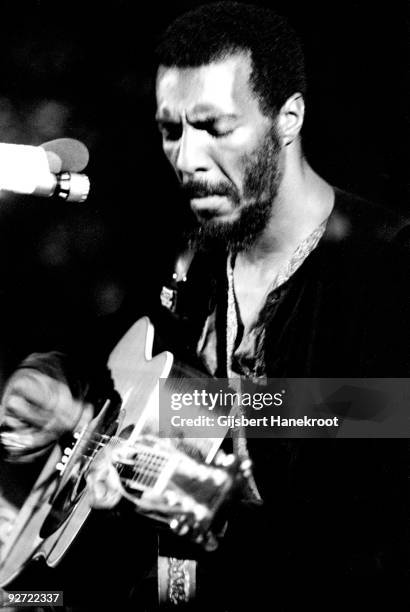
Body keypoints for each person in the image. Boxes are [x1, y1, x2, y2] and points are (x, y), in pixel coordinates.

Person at [0, 3, 409, 610]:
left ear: (288, 118)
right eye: (171, 130)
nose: (187, 158)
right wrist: (54, 376)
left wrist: (164, 428)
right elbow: (119, 351)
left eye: (214, 127)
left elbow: (369, 416)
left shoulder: (384, 262)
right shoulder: (196, 254)